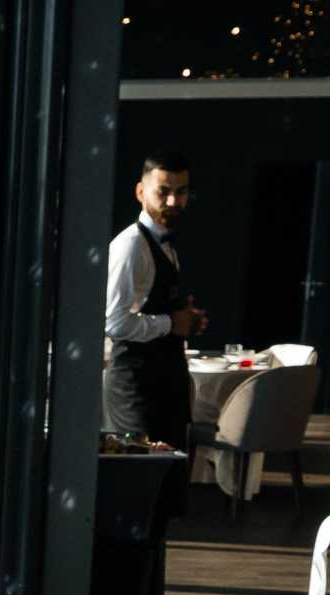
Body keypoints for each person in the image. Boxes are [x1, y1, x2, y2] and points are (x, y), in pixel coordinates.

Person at [103, 149, 206, 447]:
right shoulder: (131, 246)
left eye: (181, 192)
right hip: (136, 389)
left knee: (170, 482)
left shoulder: (167, 247)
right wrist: (171, 323)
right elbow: (114, 323)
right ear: (140, 191)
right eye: (163, 191)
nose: (174, 201)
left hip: (168, 383)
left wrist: (186, 321)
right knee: (144, 479)